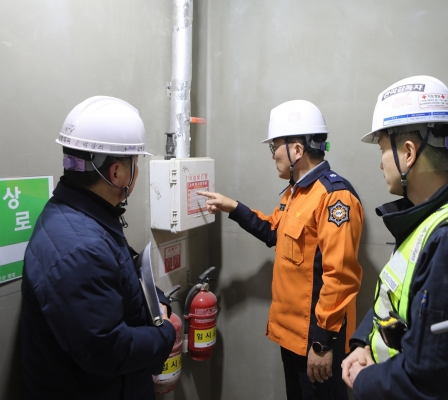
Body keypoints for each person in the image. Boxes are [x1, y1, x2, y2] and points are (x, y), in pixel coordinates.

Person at [341, 76, 448, 399]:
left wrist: (364, 379)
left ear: (408, 153)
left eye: (382, 149)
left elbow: (429, 380)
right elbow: (395, 301)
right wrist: (364, 344)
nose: (380, 163)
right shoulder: (429, 222)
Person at [199, 100, 363, 399]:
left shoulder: (334, 197)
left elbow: (340, 277)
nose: (273, 154)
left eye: (275, 146)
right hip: (292, 337)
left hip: (316, 340)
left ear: (297, 150)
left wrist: (322, 344)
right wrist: (233, 207)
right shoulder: (296, 192)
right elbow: (274, 230)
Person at [21, 96, 176, 399]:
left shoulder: (78, 215)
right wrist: (166, 332)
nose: (137, 171)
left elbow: (121, 272)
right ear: (116, 173)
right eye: (135, 163)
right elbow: (106, 349)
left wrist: (157, 302)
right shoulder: (81, 247)